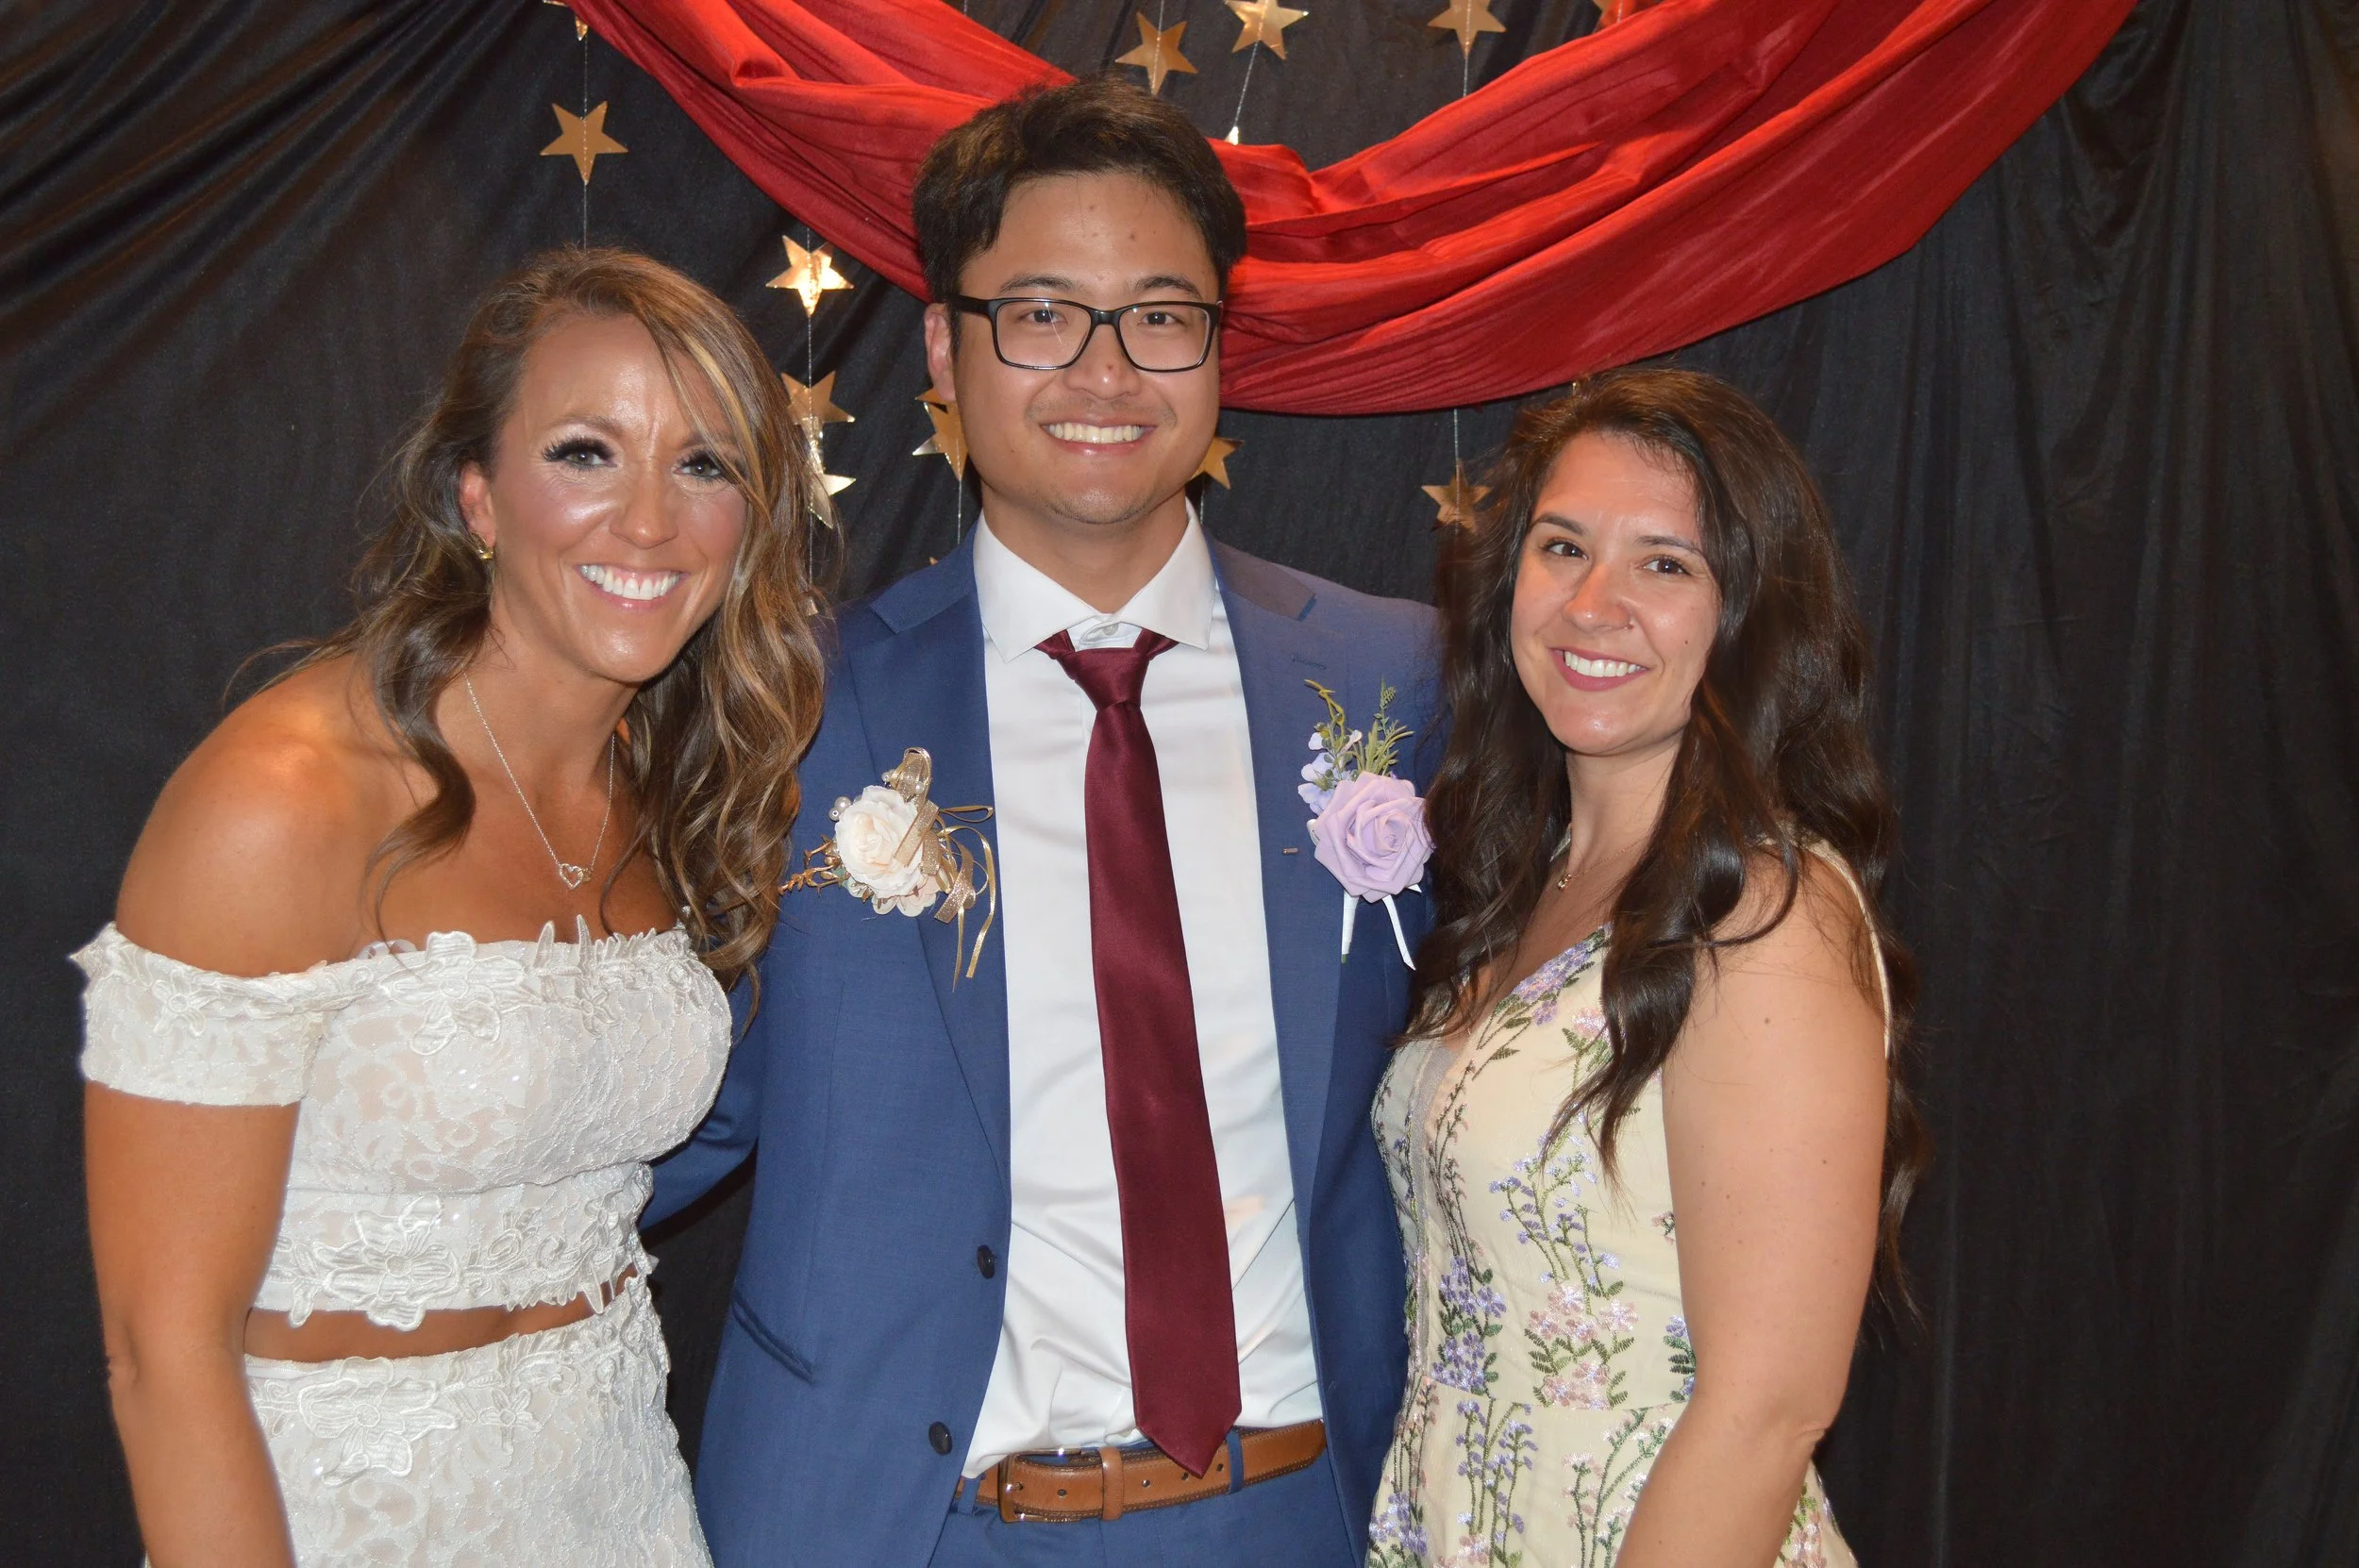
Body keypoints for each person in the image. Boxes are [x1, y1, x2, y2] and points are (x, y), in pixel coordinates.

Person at [646, 76, 1437, 1567]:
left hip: (1297, 1511)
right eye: (1041, 314)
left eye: (1159, 315)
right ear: (945, 346)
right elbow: (668, 1093)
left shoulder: (1397, 681)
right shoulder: (788, 711)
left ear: (1216, 345)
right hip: (901, 1522)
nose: (1105, 369)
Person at [76, 248, 828, 1566]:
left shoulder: (675, 787)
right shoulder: (283, 802)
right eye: (587, 453)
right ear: (476, 494)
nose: (649, 521)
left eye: (705, 464)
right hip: (340, 1518)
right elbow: (159, 1347)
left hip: (620, 1501)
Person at [1366, 367, 1931, 1567]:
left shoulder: (1761, 913)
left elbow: (1767, 1411)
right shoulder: (1523, 882)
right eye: (1562, 546)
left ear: (1750, 610)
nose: (1593, 603)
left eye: (1665, 565)